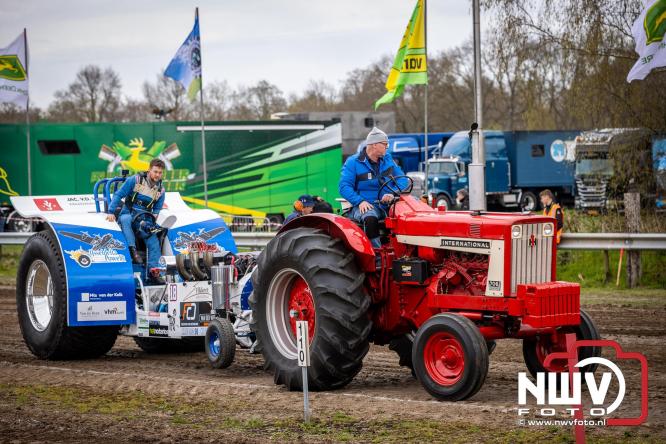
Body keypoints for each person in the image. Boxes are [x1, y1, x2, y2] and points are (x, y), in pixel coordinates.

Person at [339, 127, 407, 248]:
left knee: (409, 215)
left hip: (389, 204)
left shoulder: (388, 159)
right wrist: (360, 201)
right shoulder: (353, 162)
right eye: (385, 144)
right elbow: (344, 187)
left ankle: (404, 251)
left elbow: (403, 179)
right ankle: (376, 255)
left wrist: (393, 193)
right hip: (366, 205)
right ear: (374, 145)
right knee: (370, 217)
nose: (387, 147)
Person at [107, 158, 166, 283]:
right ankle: (133, 252)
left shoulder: (161, 190)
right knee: (126, 219)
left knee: (153, 238)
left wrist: (151, 225)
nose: (157, 175)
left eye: (160, 173)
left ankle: (154, 272)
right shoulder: (135, 180)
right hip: (128, 213)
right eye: (155, 172)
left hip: (143, 219)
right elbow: (118, 194)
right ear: (149, 170)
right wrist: (111, 212)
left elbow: (156, 211)